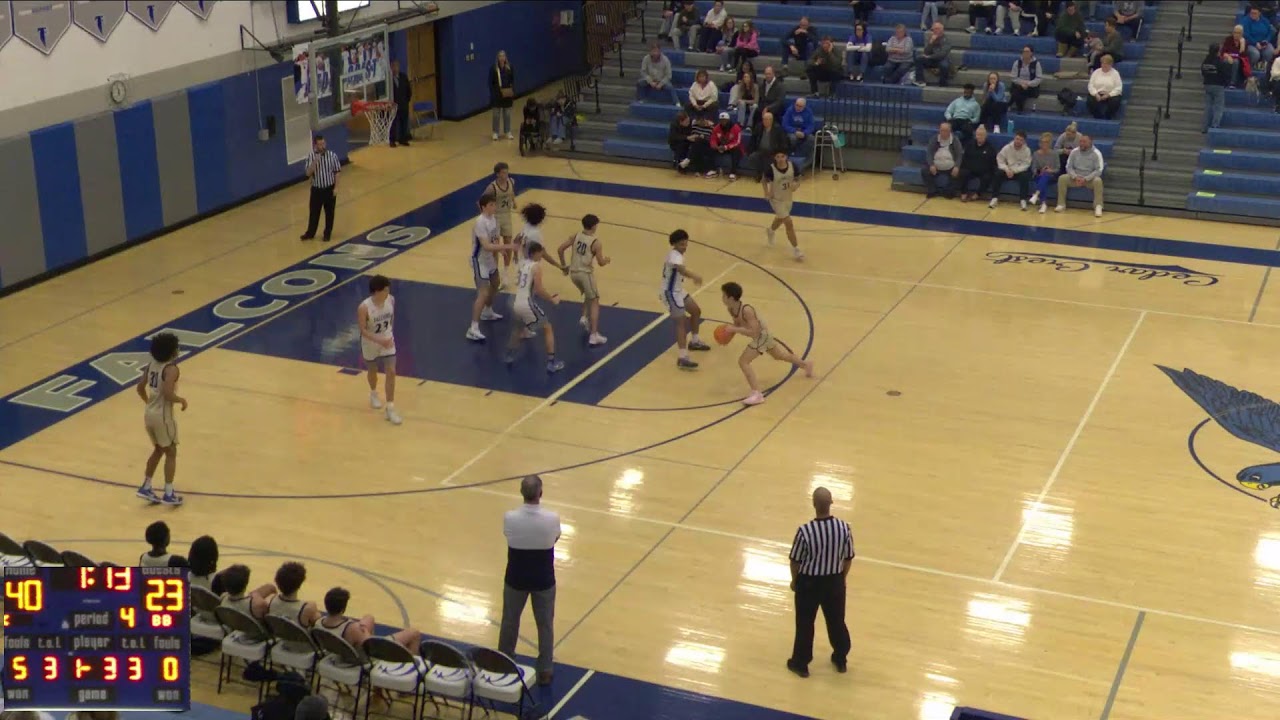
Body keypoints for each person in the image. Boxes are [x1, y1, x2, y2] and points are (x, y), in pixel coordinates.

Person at [498, 475, 562, 686]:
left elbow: (508, 536)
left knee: (509, 621)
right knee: (545, 625)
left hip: (516, 577)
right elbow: (555, 538)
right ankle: (545, 669)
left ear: (521, 492)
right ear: (540, 493)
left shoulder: (510, 517)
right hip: (543, 580)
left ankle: (505, 660)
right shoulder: (552, 519)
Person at [786, 486, 854, 678]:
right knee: (836, 621)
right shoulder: (843, 528)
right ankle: (840, 658)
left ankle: (801, 663)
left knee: (805, 623)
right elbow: (848, 557)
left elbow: (795, 560)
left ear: (814, 504)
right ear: (831, 503)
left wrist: (794, 581)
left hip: (809, 584)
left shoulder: (805, 531)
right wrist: (841, 579)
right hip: (834, 582)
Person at [720, 282, 813, 406]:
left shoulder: (747, 310)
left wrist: (734, 330)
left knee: (743, 362)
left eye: (723, 295)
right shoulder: (731, 309)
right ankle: (806, 364)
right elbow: (738, 324)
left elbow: (755, 331)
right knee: (779, 355)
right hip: (761, 337)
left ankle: (757, 394)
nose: (722, 298)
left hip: (761, 336)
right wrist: (728, 336)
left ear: (731, 298)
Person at [135, 331, 186, 505]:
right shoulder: (171, 369)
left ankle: (147, 486)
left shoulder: (151, 365)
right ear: (171, 351)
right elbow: (168, 393)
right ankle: (169, 492)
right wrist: (181, 400)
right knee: (171, 452)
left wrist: (148, 402)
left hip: (149, 414)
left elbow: (140, 387)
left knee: (158, 450)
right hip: (163, 416)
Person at [505, 242, 564, 373]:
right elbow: (538, 289)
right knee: (547, 327)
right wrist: (552, 299)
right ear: (536, 253)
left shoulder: (522, 263)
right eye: (541, 253)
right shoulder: (536, 267)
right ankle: (551, 363)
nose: (542, 255)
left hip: (515, 301)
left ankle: (509, 356)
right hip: (526, 303)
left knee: (518, 329)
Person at [466, 193, 516, 342]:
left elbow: (494, 240)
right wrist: (508, 246)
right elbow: (486, 246)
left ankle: (487, 311)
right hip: (479, 260)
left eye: (495, 204)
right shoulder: (480, 222)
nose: (495, 207)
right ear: (483, 207)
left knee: (495, 283)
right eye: (491, 205)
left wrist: (500, 250)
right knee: (482, 293)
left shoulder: (494, 219)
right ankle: (473, 328)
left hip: (489, 259)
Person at [557, 214, 610, 346]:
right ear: (593, 226)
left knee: (588, 294)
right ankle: (594, 335)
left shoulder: (576, 236)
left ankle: (584, 317)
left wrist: (564, 266)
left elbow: (560, 249)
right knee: (595, 300)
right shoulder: (596, 242)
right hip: (585, 273)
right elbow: (601, 262)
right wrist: (607, 260)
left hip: (573, 273)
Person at [316, 587, 421, 652]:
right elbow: (370, 645)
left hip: (339, 651)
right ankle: (408, 671)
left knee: (369, 618)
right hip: (362, 657)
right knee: (414, 633)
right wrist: (365, 631)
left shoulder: (318, 622)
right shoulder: (352, 629)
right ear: (343, 608)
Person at [662, 230, 709, 370]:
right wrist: (695, 276)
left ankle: (694, 341)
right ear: (675, 244)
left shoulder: (678, 254)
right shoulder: (674, 255)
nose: (684, 247)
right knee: (680, 322)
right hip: (670, 293)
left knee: (696, 311)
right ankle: (682, 357)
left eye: (686, 244)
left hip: (678, 290)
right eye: (682, 244)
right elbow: (682, 270)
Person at [358, 274, 400, 425]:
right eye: (385, 290)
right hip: (370, 342)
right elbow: (363, 330)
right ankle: (373, 393)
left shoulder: (391, 300)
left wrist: (389, 335)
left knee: (391, 371)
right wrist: (379, 340)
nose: (388, 292)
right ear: (377, 291)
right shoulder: (364, 307)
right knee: (372, 371)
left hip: (387, 341)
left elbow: (391, 320)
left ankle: (390, 407)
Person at [762, 150, 805, 260]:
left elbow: (798, 178)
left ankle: (770, 231)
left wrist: (797, 185)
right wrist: (766, 193)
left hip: (788, 198)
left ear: (786, 157)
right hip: (776, 199)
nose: (780, 159)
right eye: (778, 157)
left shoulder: (792, 166)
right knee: (788, 222)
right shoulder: (770, 169)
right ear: (775, 158)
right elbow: (763, 180)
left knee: (780, 219)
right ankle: (796, 249)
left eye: (782, 156)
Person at [300, 134, 340, 242]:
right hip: (316, 189)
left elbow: (336, 172)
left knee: (329, 213)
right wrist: (315, 161)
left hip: (329, 188)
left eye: (323, 143)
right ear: (315, 145)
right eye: (319, 144)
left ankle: (327, 233)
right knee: (314, 212)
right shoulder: (311, 156)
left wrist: (336, 188)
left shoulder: (332, 156)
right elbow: (308, 173)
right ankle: (310, 233)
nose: (322, 146)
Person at [1056, 134, 1105, 217]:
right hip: (1075, 178)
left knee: (1098, 181)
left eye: (1084, 142)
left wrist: (1086, 179)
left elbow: (1098, 170)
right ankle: (1061, 204)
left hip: (1089, 179)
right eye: (1080, 141)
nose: (1081, 143)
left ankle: (1098, 206)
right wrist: (1075, 177)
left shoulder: (1097, 153)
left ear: (1090, 142)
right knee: (1062, 178)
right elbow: (1069, 167)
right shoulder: (1074, 152)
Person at [486, 162, 518, 284]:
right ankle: (495, 273)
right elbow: (480, 201)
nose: (506, 174)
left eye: (507, 172)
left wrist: (514, 202)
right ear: (497, 174)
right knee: (496, 247)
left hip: (507, 215)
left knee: (508, 243)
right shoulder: (491, 187)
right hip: (496, 216)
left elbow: (511, 193)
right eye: (503, 172)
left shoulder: (511, 182)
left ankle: (505, 272)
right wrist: (486, 216)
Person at [267, 562, 322, 629]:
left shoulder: (270, 600)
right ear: (300, 583)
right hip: (298, 639)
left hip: (277, 638)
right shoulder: (307, 608)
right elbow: (320, 625)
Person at [991, 129, 1033, 209]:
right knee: (998, 174)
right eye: (1017, 139)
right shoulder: (1007, 148)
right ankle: (994, 198)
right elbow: (1000, 159)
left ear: (1024, 141)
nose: (1018, 141)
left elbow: (1026, 164)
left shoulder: (1027, 151)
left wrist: (1014, 171)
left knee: (1025, 176)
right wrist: (1006, 169)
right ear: (1014, 138)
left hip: (1018, 171)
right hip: (1007, 170)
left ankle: (1023, 200)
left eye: (1021, 140)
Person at [921, 122, 963, 199]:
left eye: (945, 131)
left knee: (960, 172)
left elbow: (959, 154)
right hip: (936, 165)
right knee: (924, 170)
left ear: (950, 131)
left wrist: (957, 166)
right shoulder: (934, 139)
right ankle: (932, 190)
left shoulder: (955, 140)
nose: (943, 133)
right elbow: (929, 153)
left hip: (951, 166)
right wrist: (931, 164)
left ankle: (949, 191)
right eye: (942, 130)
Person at [956, 125, 997, 202]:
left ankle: (978, 194)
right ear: (975, 135)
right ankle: (963, 193)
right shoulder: (970, 145)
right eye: (978, 135)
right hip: (970, 169)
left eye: (982, 135)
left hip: (984, 171)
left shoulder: (990, 148)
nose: (979, 137)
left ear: (985, 136)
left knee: (988, 177)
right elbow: (965, 158)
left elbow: (993, 163)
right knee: (963, 173)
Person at [1202, 43, 1230, 133]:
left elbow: (1203, 72)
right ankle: (1215, 125)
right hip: (1218, 86)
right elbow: (1225, 74)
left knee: (1207, 107)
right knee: (1218, 106)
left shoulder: (1205, 61)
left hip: (1207, 85)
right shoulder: (1220, 62)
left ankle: (1204, 127)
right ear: (1218, 52)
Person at [913, 22, 952, 87]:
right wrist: (931, 42)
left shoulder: (946, 40)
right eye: (933, 29)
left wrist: (929, 57)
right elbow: (926, 52)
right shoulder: (931, 38)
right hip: (931, 59)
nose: (934, 31)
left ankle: (943, 84)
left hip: (941, 59)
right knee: (919, 59)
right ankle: (920, 80)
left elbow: (942, 54)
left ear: (941, 30)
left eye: (936, 29)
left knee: (944, 66)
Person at [710, 111, 745, 179]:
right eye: (721, 120)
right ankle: (713, 169)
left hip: (733, 147)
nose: (723, 122)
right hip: (721, 146)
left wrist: (726, 147)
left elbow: (737, 142)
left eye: (724, 120)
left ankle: (733, 172)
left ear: (728, 120)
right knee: (710, 149)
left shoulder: (736, 128)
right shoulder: (716, 128)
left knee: (736, 151)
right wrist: (716, 146)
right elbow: (713, 139)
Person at [1087, 54, 1123, 119]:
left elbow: (1118, 87)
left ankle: (1108, 116)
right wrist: (1095, 94)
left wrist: (1109, 95)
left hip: (1110, 94)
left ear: (1111, 64)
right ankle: (1097, 116)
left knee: (1115, 101)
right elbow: (1090, 85)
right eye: (1103, 63)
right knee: (1090, 100)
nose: (1104, 65)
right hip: (1098, 93)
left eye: (1106, 64)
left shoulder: (1115, 73)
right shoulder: (1096, 72)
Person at [1030, 131, 1058, 213]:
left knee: (1045, 175)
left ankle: (1037, 195)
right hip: (1039, 175)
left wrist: (1050, 170)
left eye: (1046, 143)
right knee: (1043, 178)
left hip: (1051, 175)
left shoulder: (1055, 154)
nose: (1044, 144)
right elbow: (1033, 168)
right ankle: (1043, 203)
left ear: (1049, 144)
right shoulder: (1036, 154)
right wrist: (1039, 171)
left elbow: (1057, 168)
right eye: (1043, 142)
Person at [489, 50, 515, 141]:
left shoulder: (509, 67)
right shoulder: (494, 68)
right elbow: (490, 82)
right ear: (497, 57)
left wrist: (512, 90)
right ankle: (495, 132)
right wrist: (493, 93)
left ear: (505, 57)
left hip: (507, 94)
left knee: (507, 113)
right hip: (497, 95)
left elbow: (512, 79)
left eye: (503, 56)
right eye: (500, 56)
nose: (502, 58)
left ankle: (507, 131)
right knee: (496, 114)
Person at [1009, 45, 1043, 112]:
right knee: (1019, 89)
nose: (1025, 53)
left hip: (1031, 86)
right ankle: (1020, 108)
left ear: (1031, 53)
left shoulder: (1036, 64)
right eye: (1024, 51)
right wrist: (1022, 83)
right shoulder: (1017, 63)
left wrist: (1028, 83)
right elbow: (1013, 77)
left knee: (1018, 91)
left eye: (1027, 51)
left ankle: (1010, 104)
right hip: (1019, 84)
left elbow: (1039, 78)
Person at [389, 59, 412, 147]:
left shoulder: (404, 77)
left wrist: (406, 101)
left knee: (404, 122)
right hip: (393, 105)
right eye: (393, 66)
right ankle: (392, 140)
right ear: (391, 68)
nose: (395, 68)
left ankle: (403, 139)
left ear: (398, 67)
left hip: (403, 104)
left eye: (396, 66)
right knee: (393, 124)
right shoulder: (389, 79)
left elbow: (408, 91)